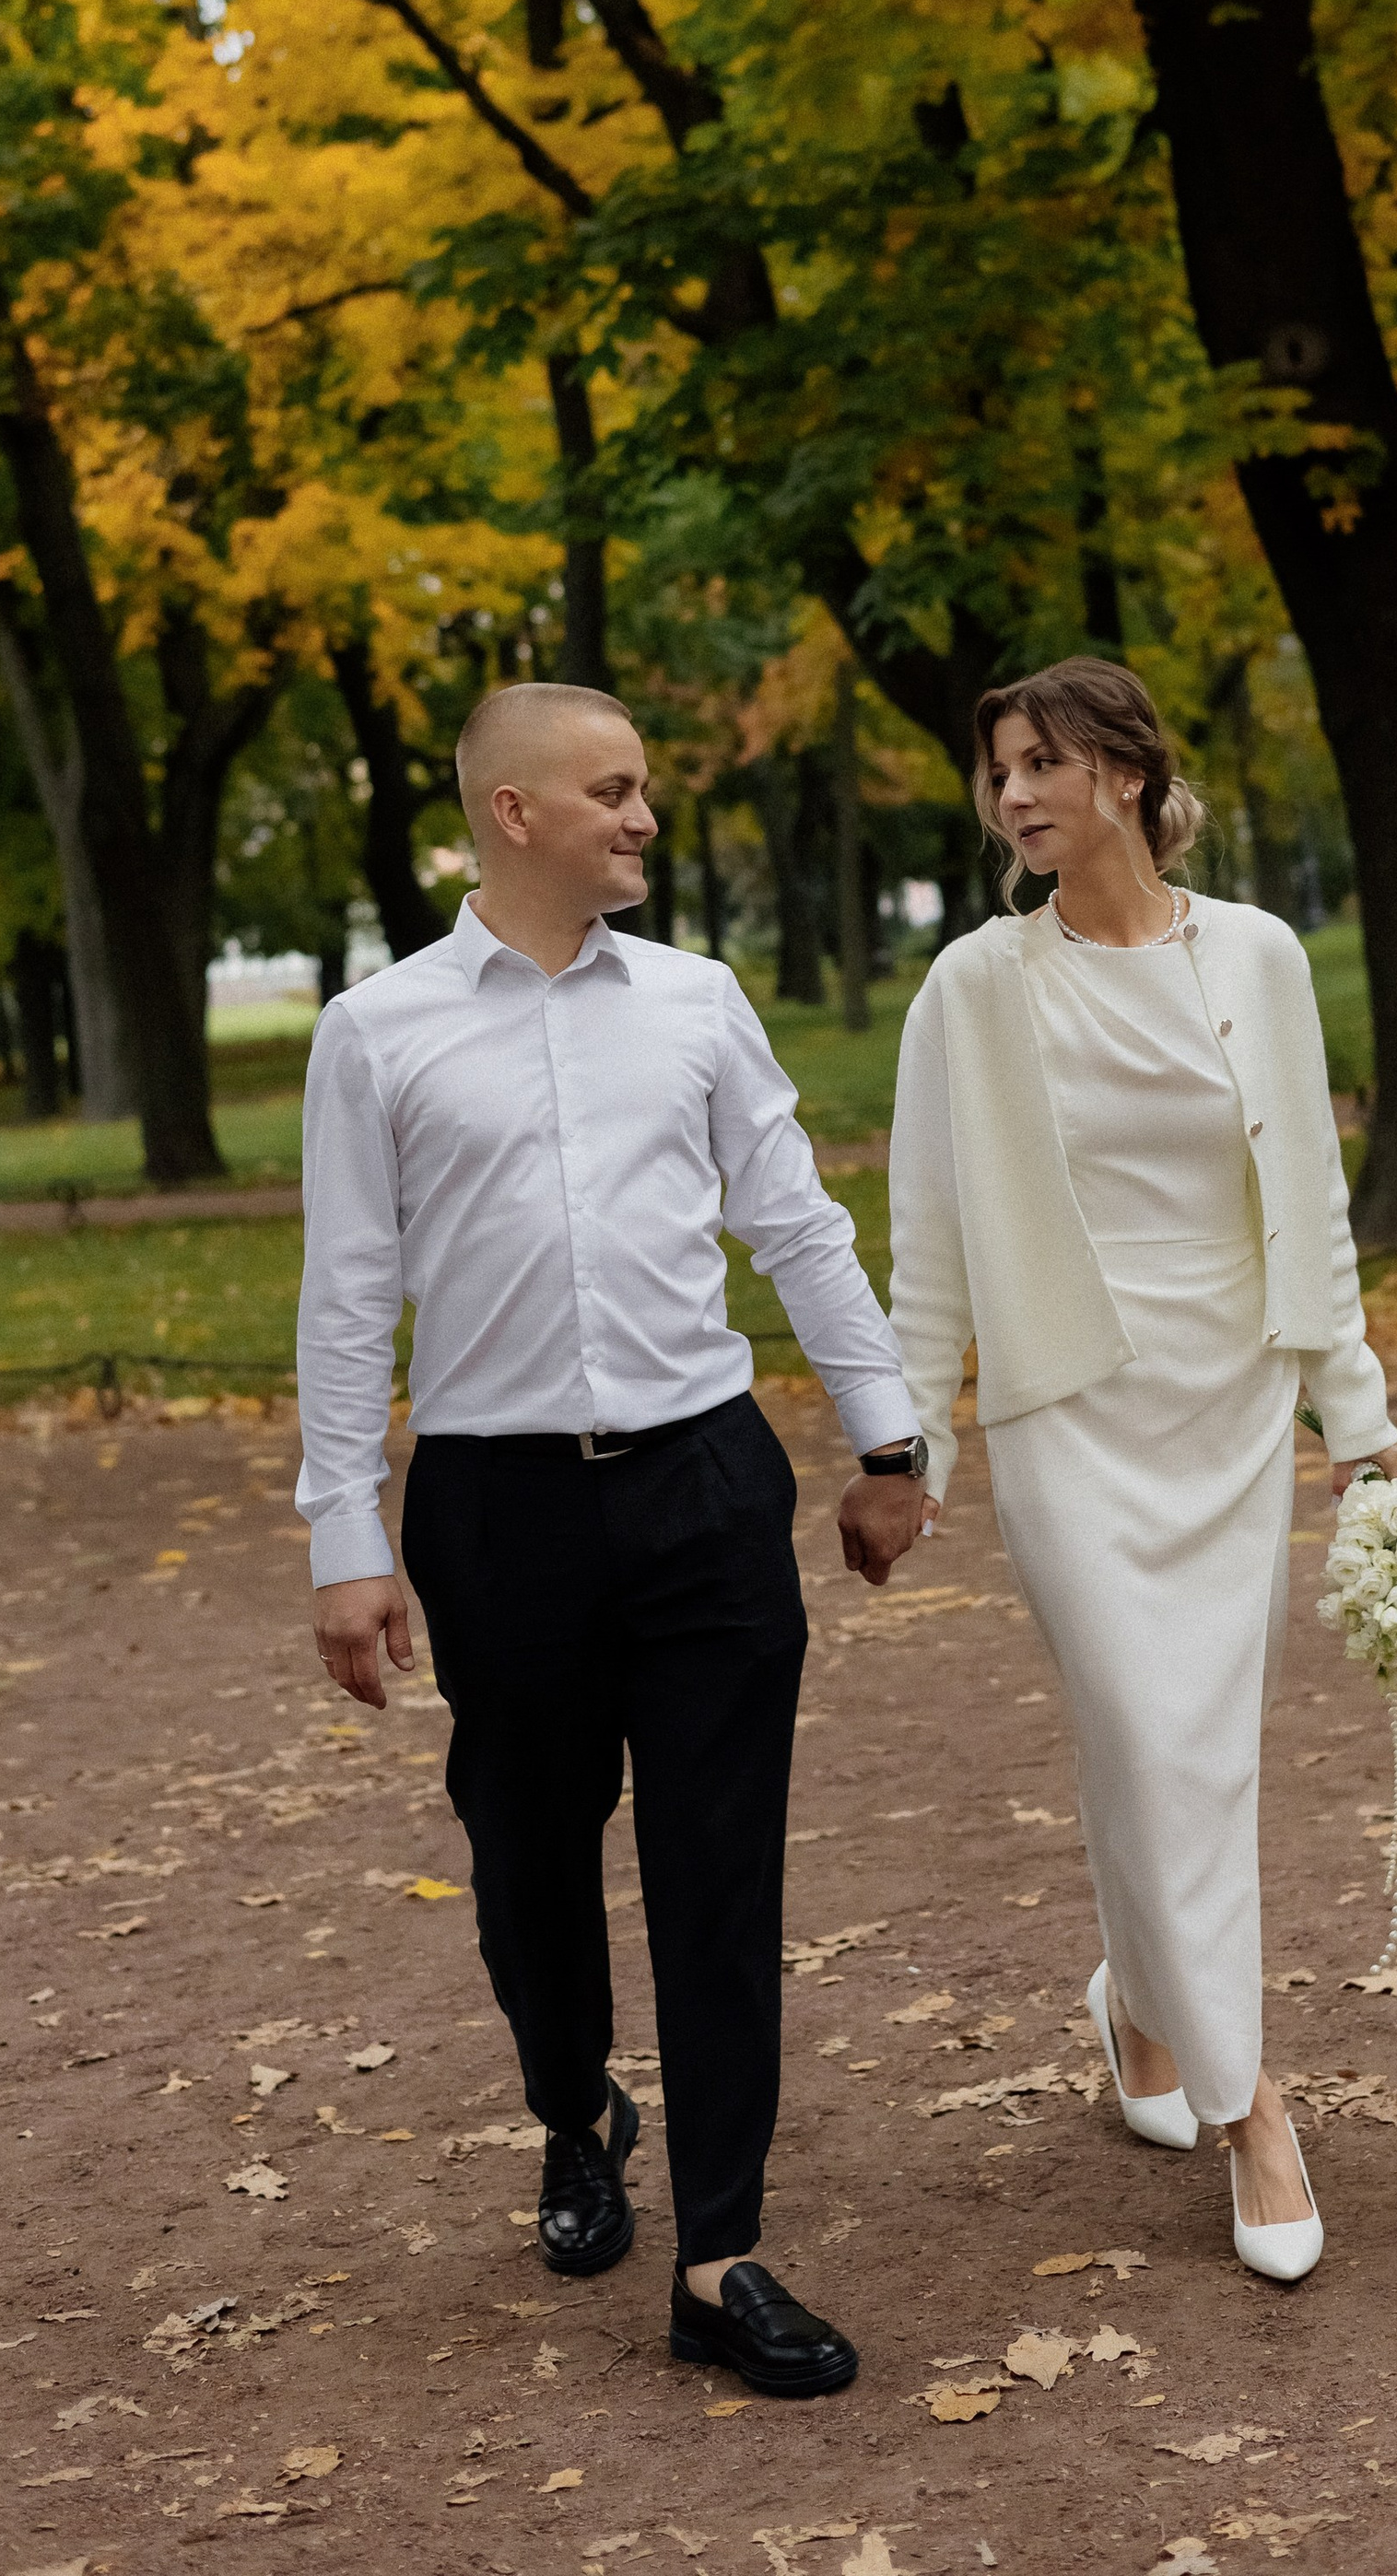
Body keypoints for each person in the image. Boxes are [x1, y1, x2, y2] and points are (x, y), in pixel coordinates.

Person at [298, 682, 931, 2396]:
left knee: (724, 1875)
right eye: (615, 791)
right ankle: (577, 2106)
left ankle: (721, 2256)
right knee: (526, 1852)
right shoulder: (380, 1030)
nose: (646, 818)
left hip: (707, 1490)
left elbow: (797, 1227)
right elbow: (351, 1298)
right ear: (516, 815)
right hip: (500, 1512)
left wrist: (888, 1442)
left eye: (645, 790)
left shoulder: (700, 1005)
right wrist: (344, 1538)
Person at [863, 656, 1397, 2280]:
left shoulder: (1261, 956)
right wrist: (914, 1444)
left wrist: (1356, 1429)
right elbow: (932, 1241)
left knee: (1176, 1745)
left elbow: (1309, 1200)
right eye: (999, 772)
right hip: (1066, 1414)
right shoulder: (972, 985)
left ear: (1125, 772)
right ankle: (1256, 2110)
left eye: (1043, 763)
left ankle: (1137, 1995)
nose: (1015, 794)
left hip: (1228, 1405)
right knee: (1152, 1737)